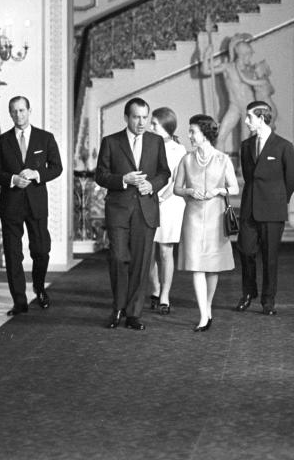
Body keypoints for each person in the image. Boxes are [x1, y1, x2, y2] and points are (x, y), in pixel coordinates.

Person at [95, 97, 170, 331]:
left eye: (145, 117)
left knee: (141, 262)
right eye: (136, 117)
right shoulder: (111, 142)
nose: (141, 122)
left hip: (146, 210)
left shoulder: (156, 141)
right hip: (118, 209)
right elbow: (100, 175)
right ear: (126, 117)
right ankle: (117, 308)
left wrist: (153, 185)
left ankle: (134, 314)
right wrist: (123, 180)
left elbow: (164, 172)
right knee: (118, 258)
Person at [0, 96, 63, 316]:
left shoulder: (45, 138)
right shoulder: (1, 141)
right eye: (14, 111)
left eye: (22, 110)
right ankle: (19, 301)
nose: (18, 115)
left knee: (41, 250)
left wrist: (37, 173)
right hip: (11, 204)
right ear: (10, 114)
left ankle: (39, 288)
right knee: (13, 253)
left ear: (29, 111)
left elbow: (56, 168)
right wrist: (12, 179)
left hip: (36, 203)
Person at [174, 115, 239, 331]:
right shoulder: (186, 159)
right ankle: (203, 315)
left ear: (205, 133)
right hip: (192, 217)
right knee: (196, 266)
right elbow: (177, 188)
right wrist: (189, 191)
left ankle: (208, 306)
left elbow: (235, 188)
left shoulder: (222, 159)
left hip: (215, 217)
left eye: (193, 131)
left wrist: (218, 191)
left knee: (212, 267)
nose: (189, 135)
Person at [236, 101, 294, 316]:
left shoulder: (283, 146)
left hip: (273, 211)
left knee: (270, 257)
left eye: (249, 117)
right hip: (249, 209)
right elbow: (248, 175)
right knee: (245, 251)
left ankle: (268, 300)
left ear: (262, 118)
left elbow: (292, 178)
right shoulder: (245, 146)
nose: (246, 121)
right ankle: (248, 293)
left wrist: (279, 200)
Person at [147, 107, 186, 315]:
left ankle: (165, 294)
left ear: (166, 126)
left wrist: (161, 197)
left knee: (165, 250)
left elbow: (176, 180)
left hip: (170, 203)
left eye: (154, 124)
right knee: (148, 251)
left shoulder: (178, 150)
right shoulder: (147, 144)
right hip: (148, 201)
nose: (150, 126)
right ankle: (154, 289)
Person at [199, 32, 256, 151]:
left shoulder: (250, 69)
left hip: (249, 107)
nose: (250, 57)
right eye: (248, 54)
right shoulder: (228, 67)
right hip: (234, 107)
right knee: (220, 137)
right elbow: (206, 71)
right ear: (241, 55)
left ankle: (243, 169)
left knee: (245, 140)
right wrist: (206, 56)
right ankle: (221, 167)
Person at [233, 38, 278, 128]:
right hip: (262, 109)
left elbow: (245, 80)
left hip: (269, 109)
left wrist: (237, 68)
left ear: (262, 71)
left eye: (256, 67)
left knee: (265, 130)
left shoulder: (263, 82)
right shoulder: (258, 79)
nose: (254, 68)